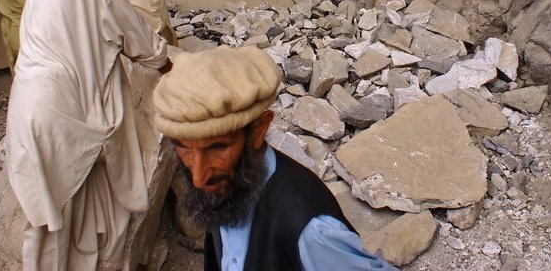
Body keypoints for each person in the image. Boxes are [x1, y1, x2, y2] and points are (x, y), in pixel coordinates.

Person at [6, 0, 171, 271]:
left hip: (30, 98)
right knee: (54, 222)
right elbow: (135, 37)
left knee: (61, 216)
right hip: (59, 109)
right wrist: (168, 65)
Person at [152, 46, 399, 271]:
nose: (197, 177)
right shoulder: (227, 186)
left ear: (259, 130)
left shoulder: (312, 232)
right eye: (183, 148)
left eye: (217, 148)